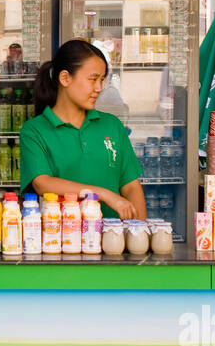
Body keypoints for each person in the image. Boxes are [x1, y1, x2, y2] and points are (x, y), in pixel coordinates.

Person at [19, 39, 144, 220]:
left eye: (101, 80)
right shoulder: (35, 130)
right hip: (60, 243)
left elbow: (131, 186)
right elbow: (43, 183)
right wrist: (104, 194)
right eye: (93, 79)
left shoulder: (111, 126)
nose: (99, 88)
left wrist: (139, 233)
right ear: (65, 78)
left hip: (113, 242)